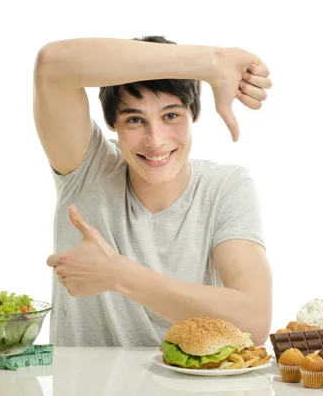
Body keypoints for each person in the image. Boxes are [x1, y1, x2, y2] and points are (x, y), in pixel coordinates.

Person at [34, 35, 273, 347]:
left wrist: (119, 274)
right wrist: (212, 63)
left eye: (170, 115)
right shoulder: (88, 171)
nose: (155, 140)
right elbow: (53, 65)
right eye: (135, 119)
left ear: (194, 114)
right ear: (112, 124)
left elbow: (253, 322)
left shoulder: (225, 187)